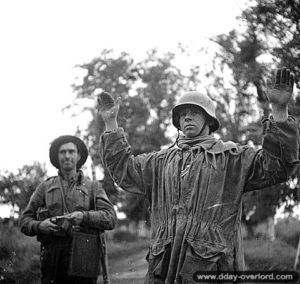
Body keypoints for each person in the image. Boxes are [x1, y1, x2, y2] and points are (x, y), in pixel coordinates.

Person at [99, 67, 299, 284]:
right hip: (163, 268)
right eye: (183, 115)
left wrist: (279, 112)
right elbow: (124, 170)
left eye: (194, 113)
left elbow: (278, 167)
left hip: (211, 270)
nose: (187, 118)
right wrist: (111, 123)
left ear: (209, 120)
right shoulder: (159, 162)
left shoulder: (231, 157)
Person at [20, 135, 117, 284]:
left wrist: (84, 217)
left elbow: (110, 218)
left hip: (83, 256)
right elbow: (24, 221)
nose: (67, 156)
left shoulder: (93, 187)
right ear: (57, 157)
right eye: (62, 152)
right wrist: (40, 226)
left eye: (71, 151)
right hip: (52, 260)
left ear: (78, 156)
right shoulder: (45, 187)